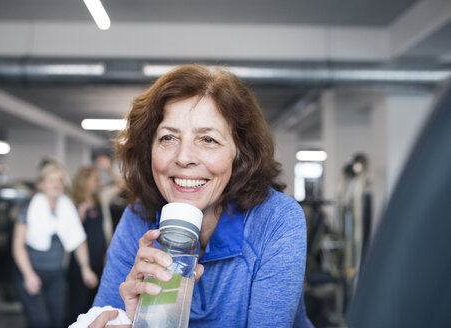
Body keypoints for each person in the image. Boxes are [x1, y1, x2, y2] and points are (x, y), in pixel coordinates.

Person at [89, 64, 312, 327]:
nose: (184, 158)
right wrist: (135, 319)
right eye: (168, 138)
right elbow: (99, 319)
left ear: (240, 153)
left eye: (208, 140)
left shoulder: (276, 219)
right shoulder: (139, 217)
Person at [12, 163, 98, 328]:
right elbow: (18, 245)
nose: (57, 183)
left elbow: (78, 239)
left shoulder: (67, 207)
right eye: (51, 180)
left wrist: (85, 268)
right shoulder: (28, 208)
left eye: (60, 180)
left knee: (56, 321)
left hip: (56, 275)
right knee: (40, 322)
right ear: (41, 184)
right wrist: (29, 275)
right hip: (31, 271)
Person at [65, 166, 108, 324]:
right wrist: (78, 219)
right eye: (95, 179)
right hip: (79, 264)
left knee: (94, 307)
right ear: (85, 182)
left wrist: (109, 168)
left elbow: (121, 186)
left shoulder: (100, 200)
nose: (98, 183)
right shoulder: (71, 203)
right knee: (77, 307)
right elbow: (70, 233)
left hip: (99, 262)